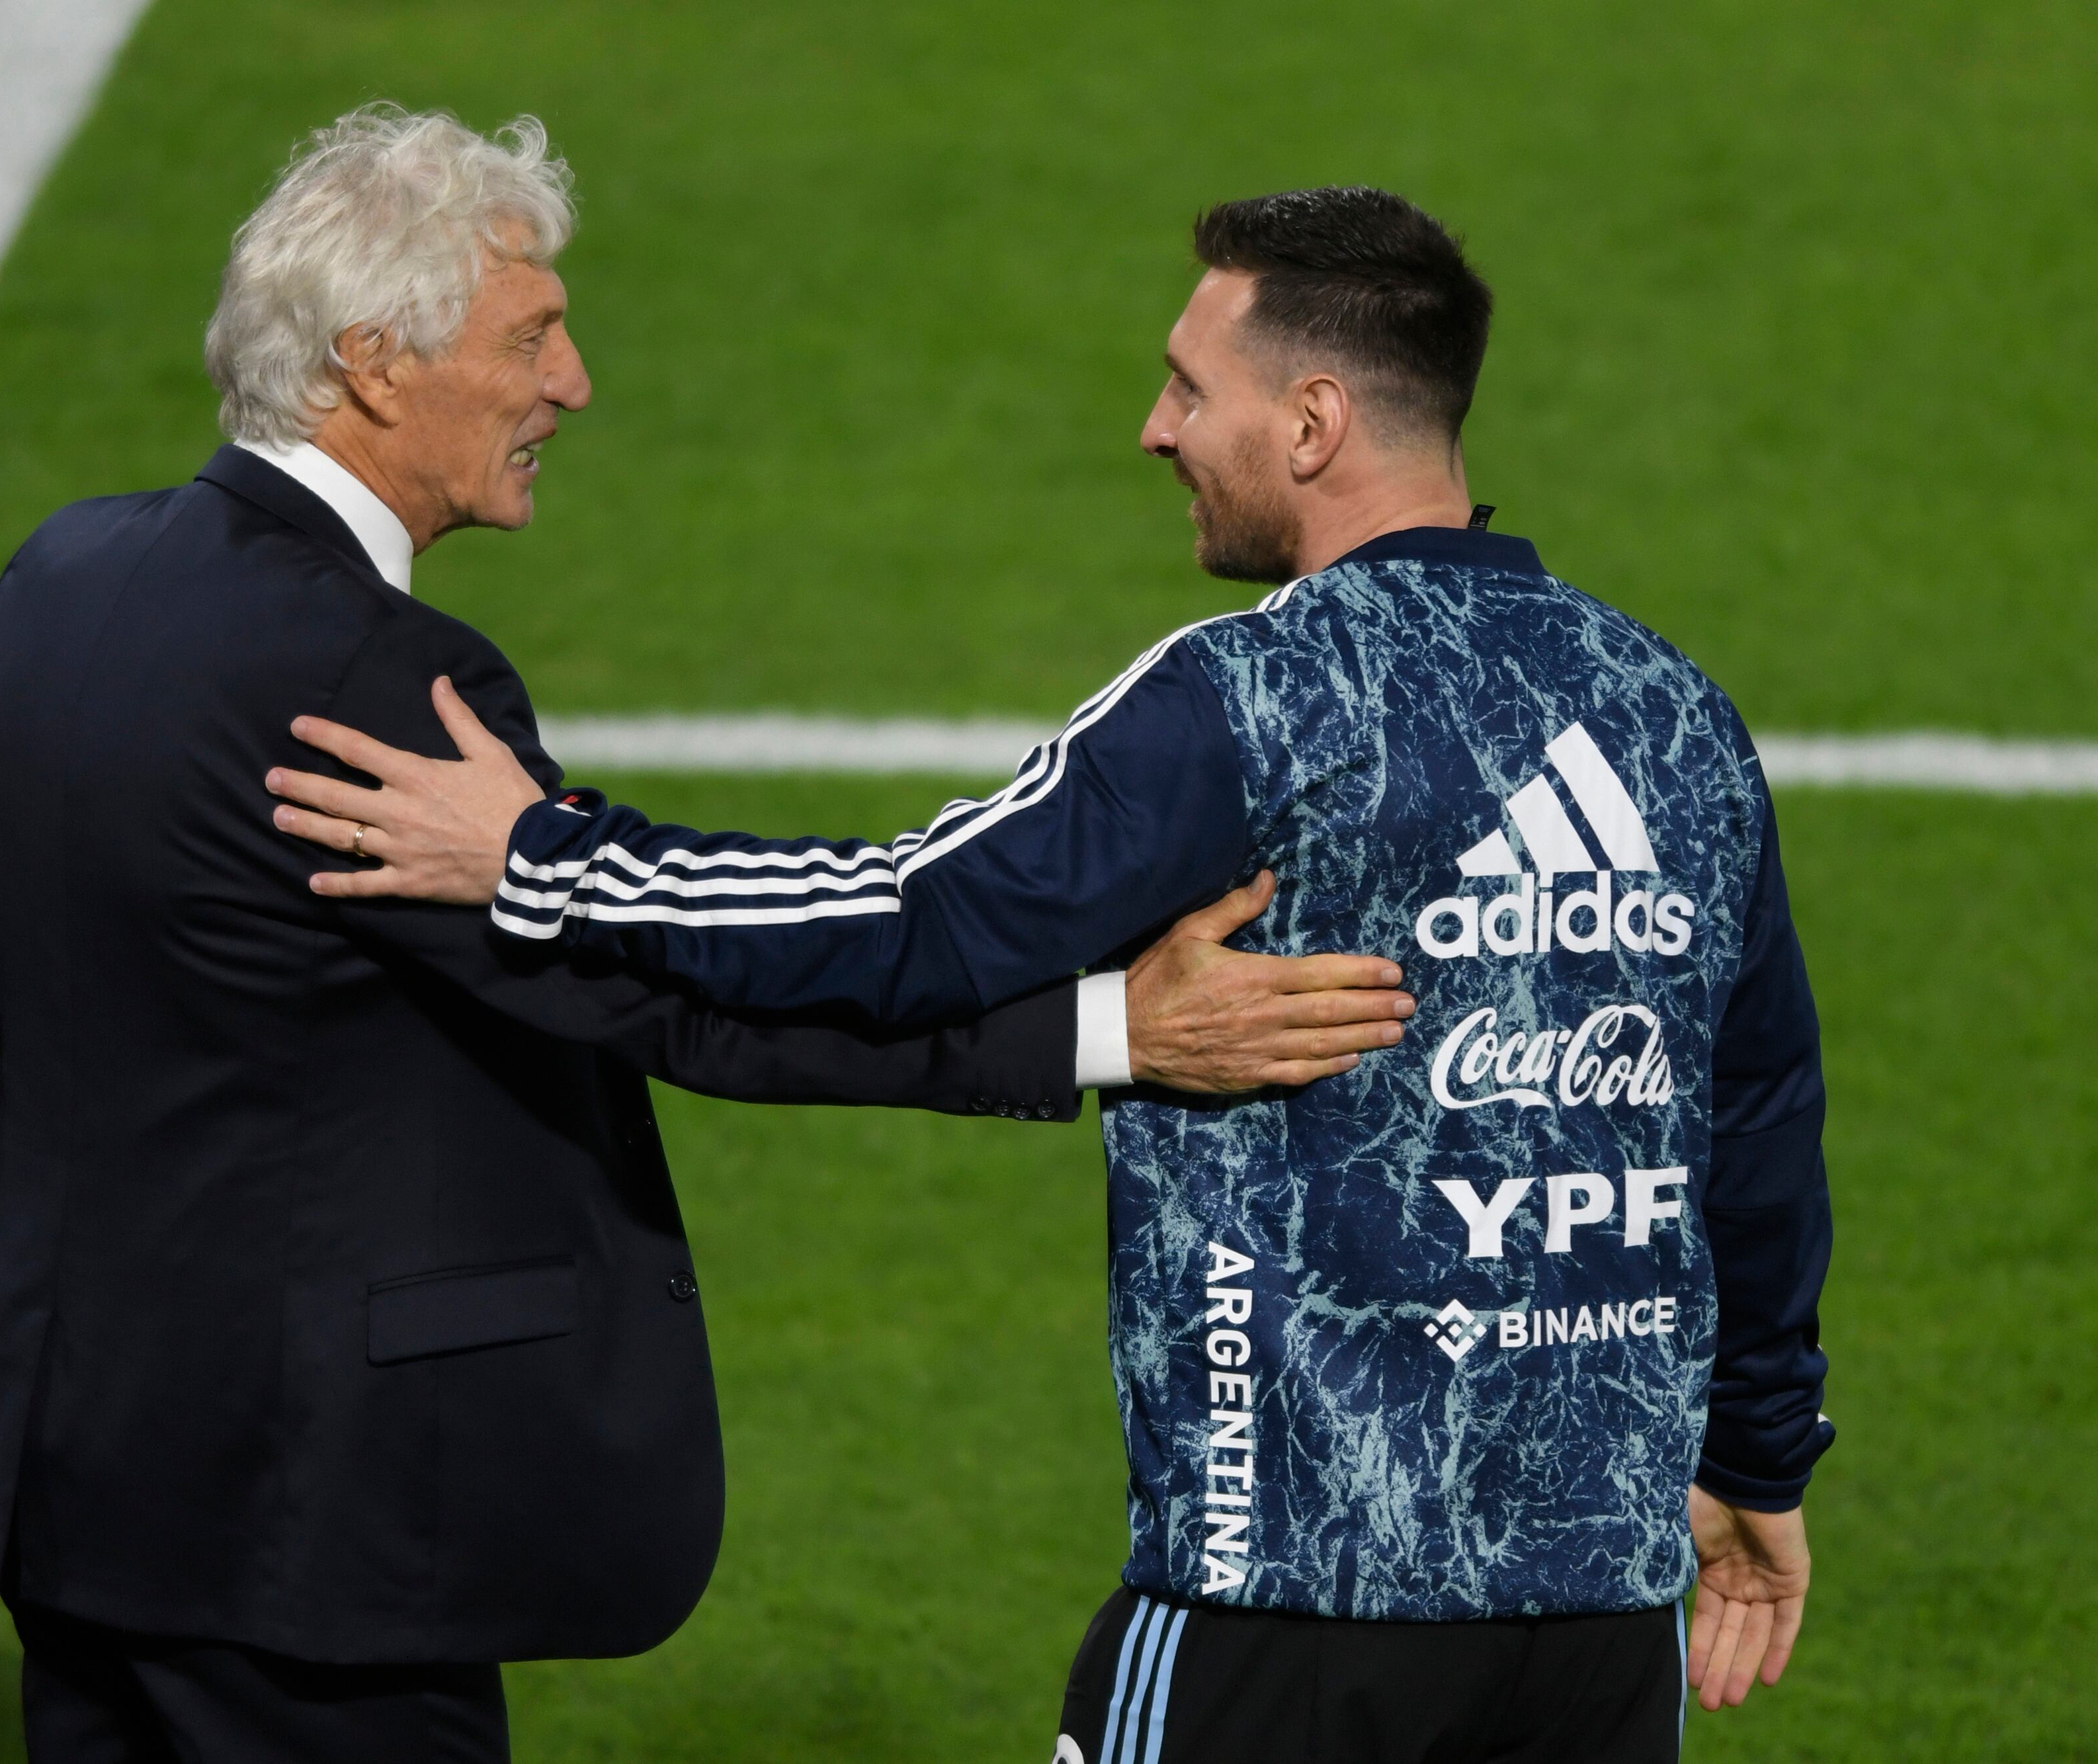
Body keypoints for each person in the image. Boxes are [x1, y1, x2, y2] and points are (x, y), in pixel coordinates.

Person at [0, 114, 1415, 1764]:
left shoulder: (57, 583)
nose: (571, 383)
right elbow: (662, 987)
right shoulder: (382, 681)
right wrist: (1112, 1027)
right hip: (298, 1519)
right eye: (528, 335)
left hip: (71, 1475)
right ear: (370, 361)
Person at [266, 187, 1833, 1761]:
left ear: (1311, 421)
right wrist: (1757, 1462)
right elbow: (1755, 1118)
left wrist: (543, 856)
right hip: (1595, 1637)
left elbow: (908, 923)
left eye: (1186, 387)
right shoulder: (1671, 711)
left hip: (1273, 1612)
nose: (1156, 431)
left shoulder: (1250, 695)